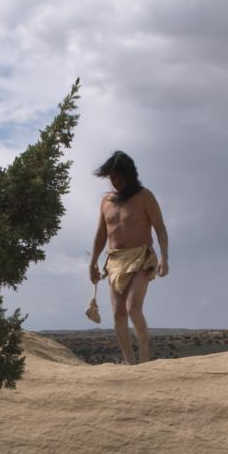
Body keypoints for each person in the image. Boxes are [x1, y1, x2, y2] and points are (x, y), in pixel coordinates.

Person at [89, 151, 169, 363]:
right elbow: (100, 235)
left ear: (130, 175)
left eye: (119, 177)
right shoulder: (106, 201)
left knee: (133, 308)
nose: (116, 182)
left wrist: (164, 257)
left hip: (141, 256)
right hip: (115, 260)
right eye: (112, 178)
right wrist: (92, 264)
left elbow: (160, 228)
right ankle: (129, 363)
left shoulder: (145, 196)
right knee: (118, 315)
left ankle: (145, 358)